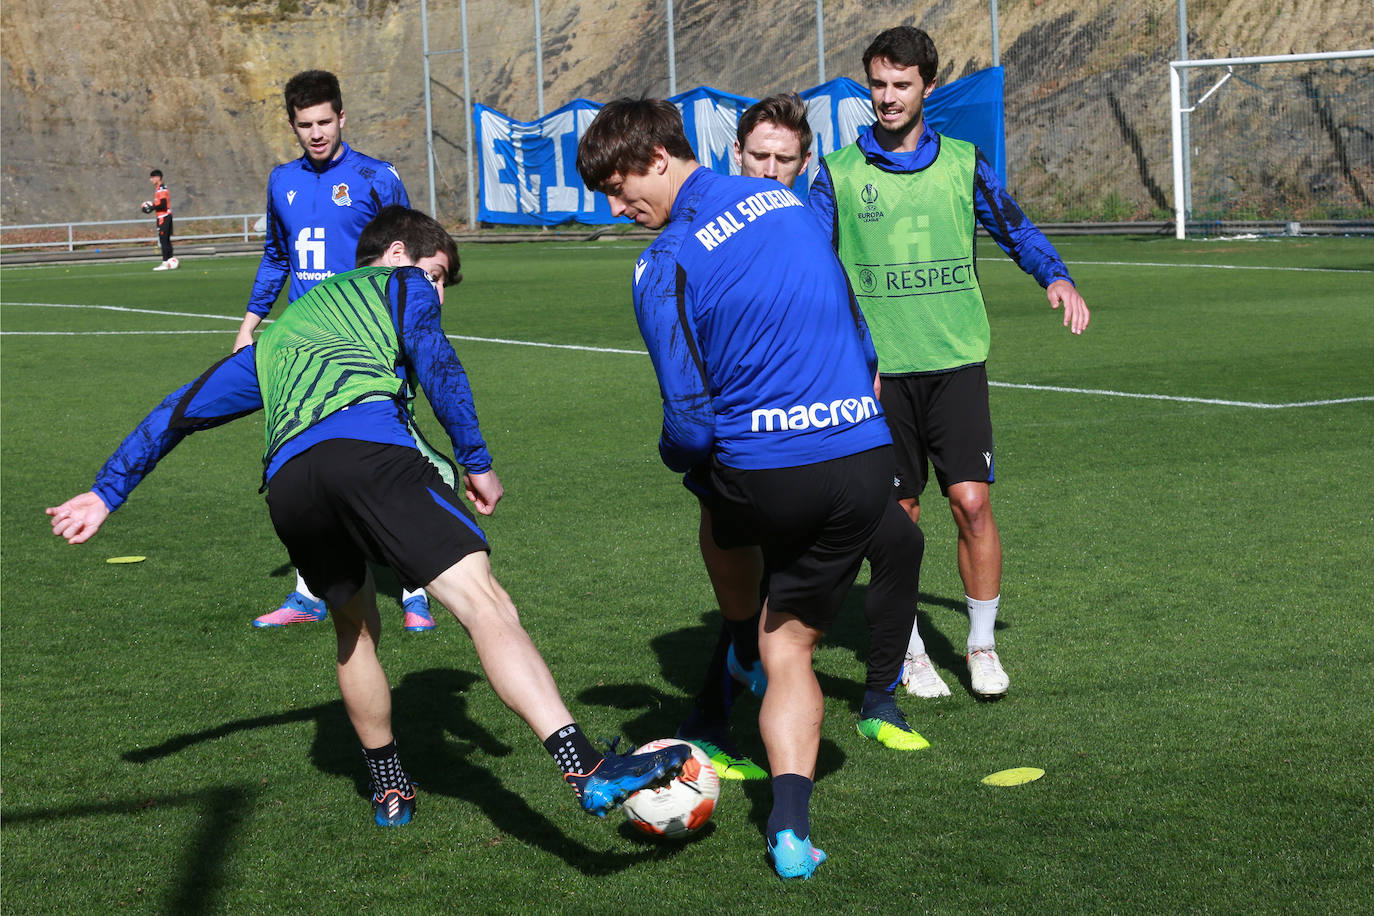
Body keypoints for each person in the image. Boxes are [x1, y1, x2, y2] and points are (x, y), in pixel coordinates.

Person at [47, 205, 689, 829]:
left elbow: (176, 411)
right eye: (437, 274)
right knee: (486, 605)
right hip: (368, 456)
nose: (437, 294)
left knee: (354, 630)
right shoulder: (400, 282)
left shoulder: (277, 337)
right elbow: (437, 361)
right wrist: (476, 459)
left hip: (291, 487)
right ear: (397, 255)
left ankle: (388, 786)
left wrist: (106, 492)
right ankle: (585, 765)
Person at [577, 98, 927, 880]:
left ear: (659, 157)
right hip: (865, 460)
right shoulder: (789, 203)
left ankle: (737, 639)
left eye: (617, 183)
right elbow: (861, 330)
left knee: (708, 484)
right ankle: (792, 830)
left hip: (768, 475)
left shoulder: (661, 262)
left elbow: (691, 425)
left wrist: (678, 458)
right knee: (795, 643)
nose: (613, 204)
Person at [809, 26, 1091, 700]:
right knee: (899, 515)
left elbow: (1013, 225)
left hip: (956, 359)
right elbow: (813, 268)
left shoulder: (964, 162)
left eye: (901, 85)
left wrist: (1054, 275)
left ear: (926, 88)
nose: (887, 97)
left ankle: (981, 645)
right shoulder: (840, 173)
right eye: (877, 84)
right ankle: (909, 653)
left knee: (971, 502)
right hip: (879, 373)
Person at [230, 69, 430, 631]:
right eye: (304, 125)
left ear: (342, 117)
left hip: (371, 338)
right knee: (301, 456)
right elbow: (276, 257)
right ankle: (308, 592)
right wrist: (250, 324)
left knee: (394, 452)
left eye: (324, 122)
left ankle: (415, 585)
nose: (316, 134)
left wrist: (412, 327)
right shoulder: (281, 182)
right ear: (292, 126)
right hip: (304, 342)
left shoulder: (376, 177)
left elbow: (408, 253)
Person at [673, 92, 818, 784]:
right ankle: (714, 716)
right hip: (737, 415)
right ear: (736, 155)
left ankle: (882, 692)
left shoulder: (809, 217)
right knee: (741, 553)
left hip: (808, 415)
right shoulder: (707, 219)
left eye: (782, 160)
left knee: (785, 581)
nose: (767, 170)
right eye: (756, 156)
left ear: (803, 163)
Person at [142, 169, 176, 270]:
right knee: (166, 240)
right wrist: (153, 206)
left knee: (163, 241)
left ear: (158, 178)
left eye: (152, 177)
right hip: (165, 216)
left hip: (163, 217)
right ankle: (170, 261)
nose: (150, 180)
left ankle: (165, 263)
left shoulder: (161, 189)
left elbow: (163, 205)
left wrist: (151, 207)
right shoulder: (160, 188)